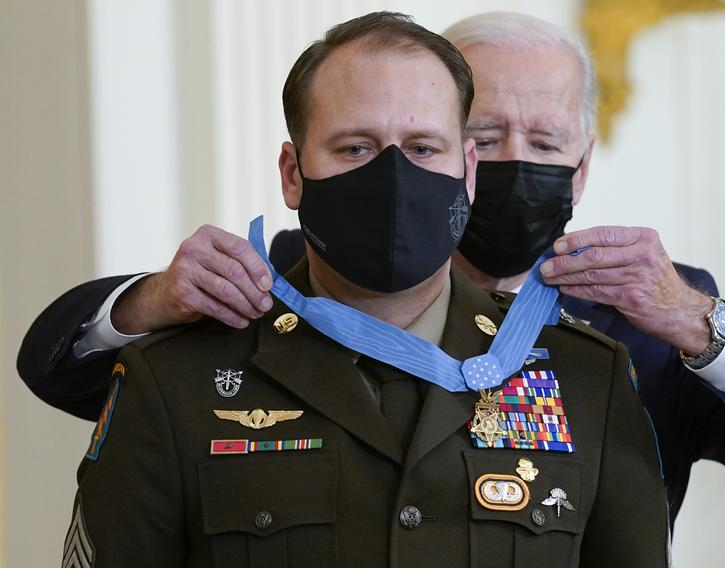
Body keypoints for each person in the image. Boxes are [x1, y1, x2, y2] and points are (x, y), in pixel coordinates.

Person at [19, 10, 725, 530]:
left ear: (583, 167)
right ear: (444, 148)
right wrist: (146, 303)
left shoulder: (647, 316)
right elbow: (57, 367)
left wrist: (702, 326)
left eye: (546, 140)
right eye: (483, 135)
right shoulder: (284, 280)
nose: (513, 161)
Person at [59, 12, 670, 567]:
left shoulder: (587, 377)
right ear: (293, 174)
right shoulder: (174, 379)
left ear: (469, 171)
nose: (394, 177)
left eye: (423, 148)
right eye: (356, 147)